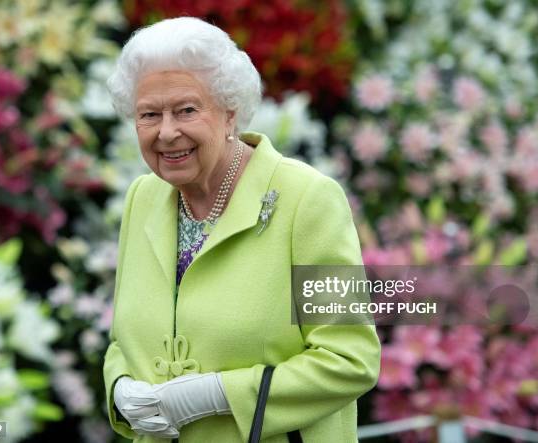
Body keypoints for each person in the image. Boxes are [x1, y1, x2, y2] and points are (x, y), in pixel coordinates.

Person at [103, 16, 380, 443]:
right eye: (148, 114)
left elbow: (351, 358)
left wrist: (218, 395)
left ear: (229, 112)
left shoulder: (307, 199)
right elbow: (125, 342)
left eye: (187, 110)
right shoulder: (143, 198)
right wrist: (119, 387)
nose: (166, 132)